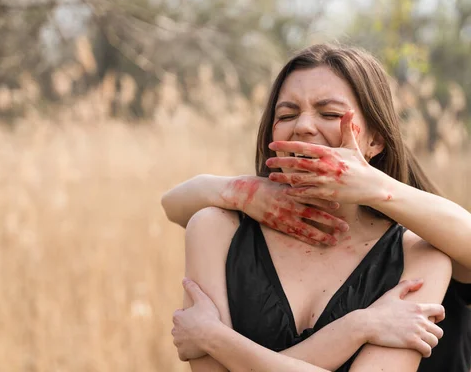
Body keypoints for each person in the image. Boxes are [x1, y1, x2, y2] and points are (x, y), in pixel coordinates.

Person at [161, 44, 471, 371]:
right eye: (286, 115)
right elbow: (171, 204)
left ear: (375, 140)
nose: (304, 126)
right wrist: (360, 327)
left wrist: (213, 338)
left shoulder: (423, 255)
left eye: (330, 114)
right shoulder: (215, 230)